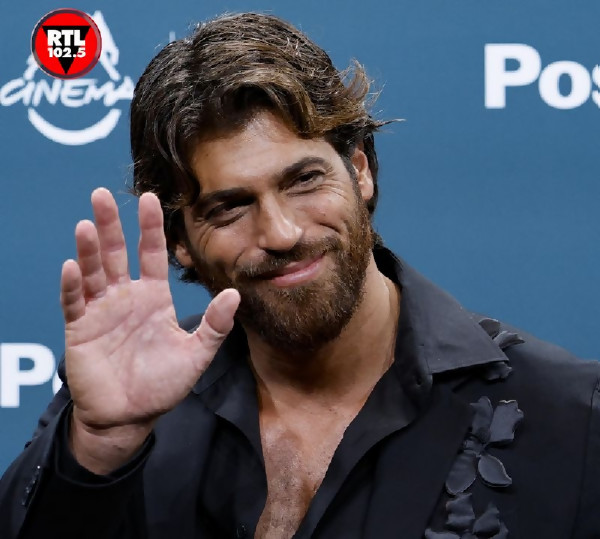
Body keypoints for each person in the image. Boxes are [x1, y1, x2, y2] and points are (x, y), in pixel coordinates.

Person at [0, 12, 598, 539]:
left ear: (359, 170)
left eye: (305, 180)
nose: (282, 233)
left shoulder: (571, 420)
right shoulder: (122, 412)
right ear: (180, 242)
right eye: (230, 207)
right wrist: (101, 447)